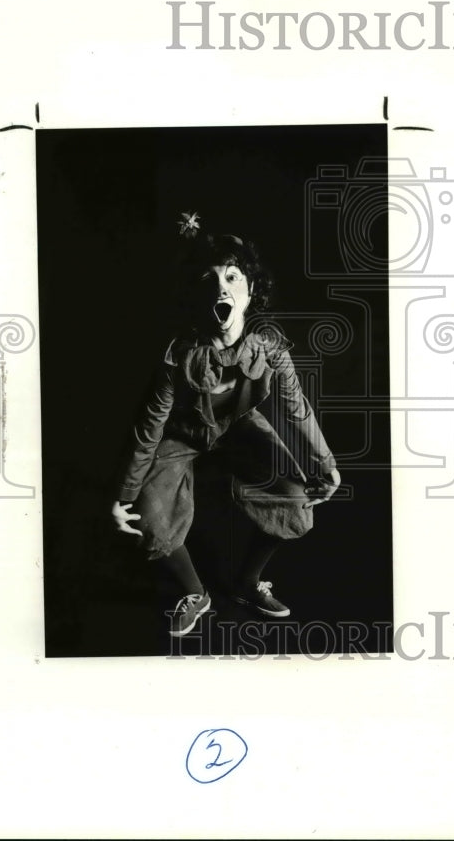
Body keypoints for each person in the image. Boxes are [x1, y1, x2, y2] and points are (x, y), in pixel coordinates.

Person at [110, 214, 341, 637]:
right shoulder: (178, 355)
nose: (222, 287)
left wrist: (325, 466)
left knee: (295, 496)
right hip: (181, 433)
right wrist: (124, 494)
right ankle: (196, 593)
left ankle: (247, 583)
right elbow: (151, 426)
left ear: (250, 292)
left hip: (236, 426)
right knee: (146, 514)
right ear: (196, 295)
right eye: (210, 279)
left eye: (233, 278)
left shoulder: (269, 349)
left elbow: (296, 408)